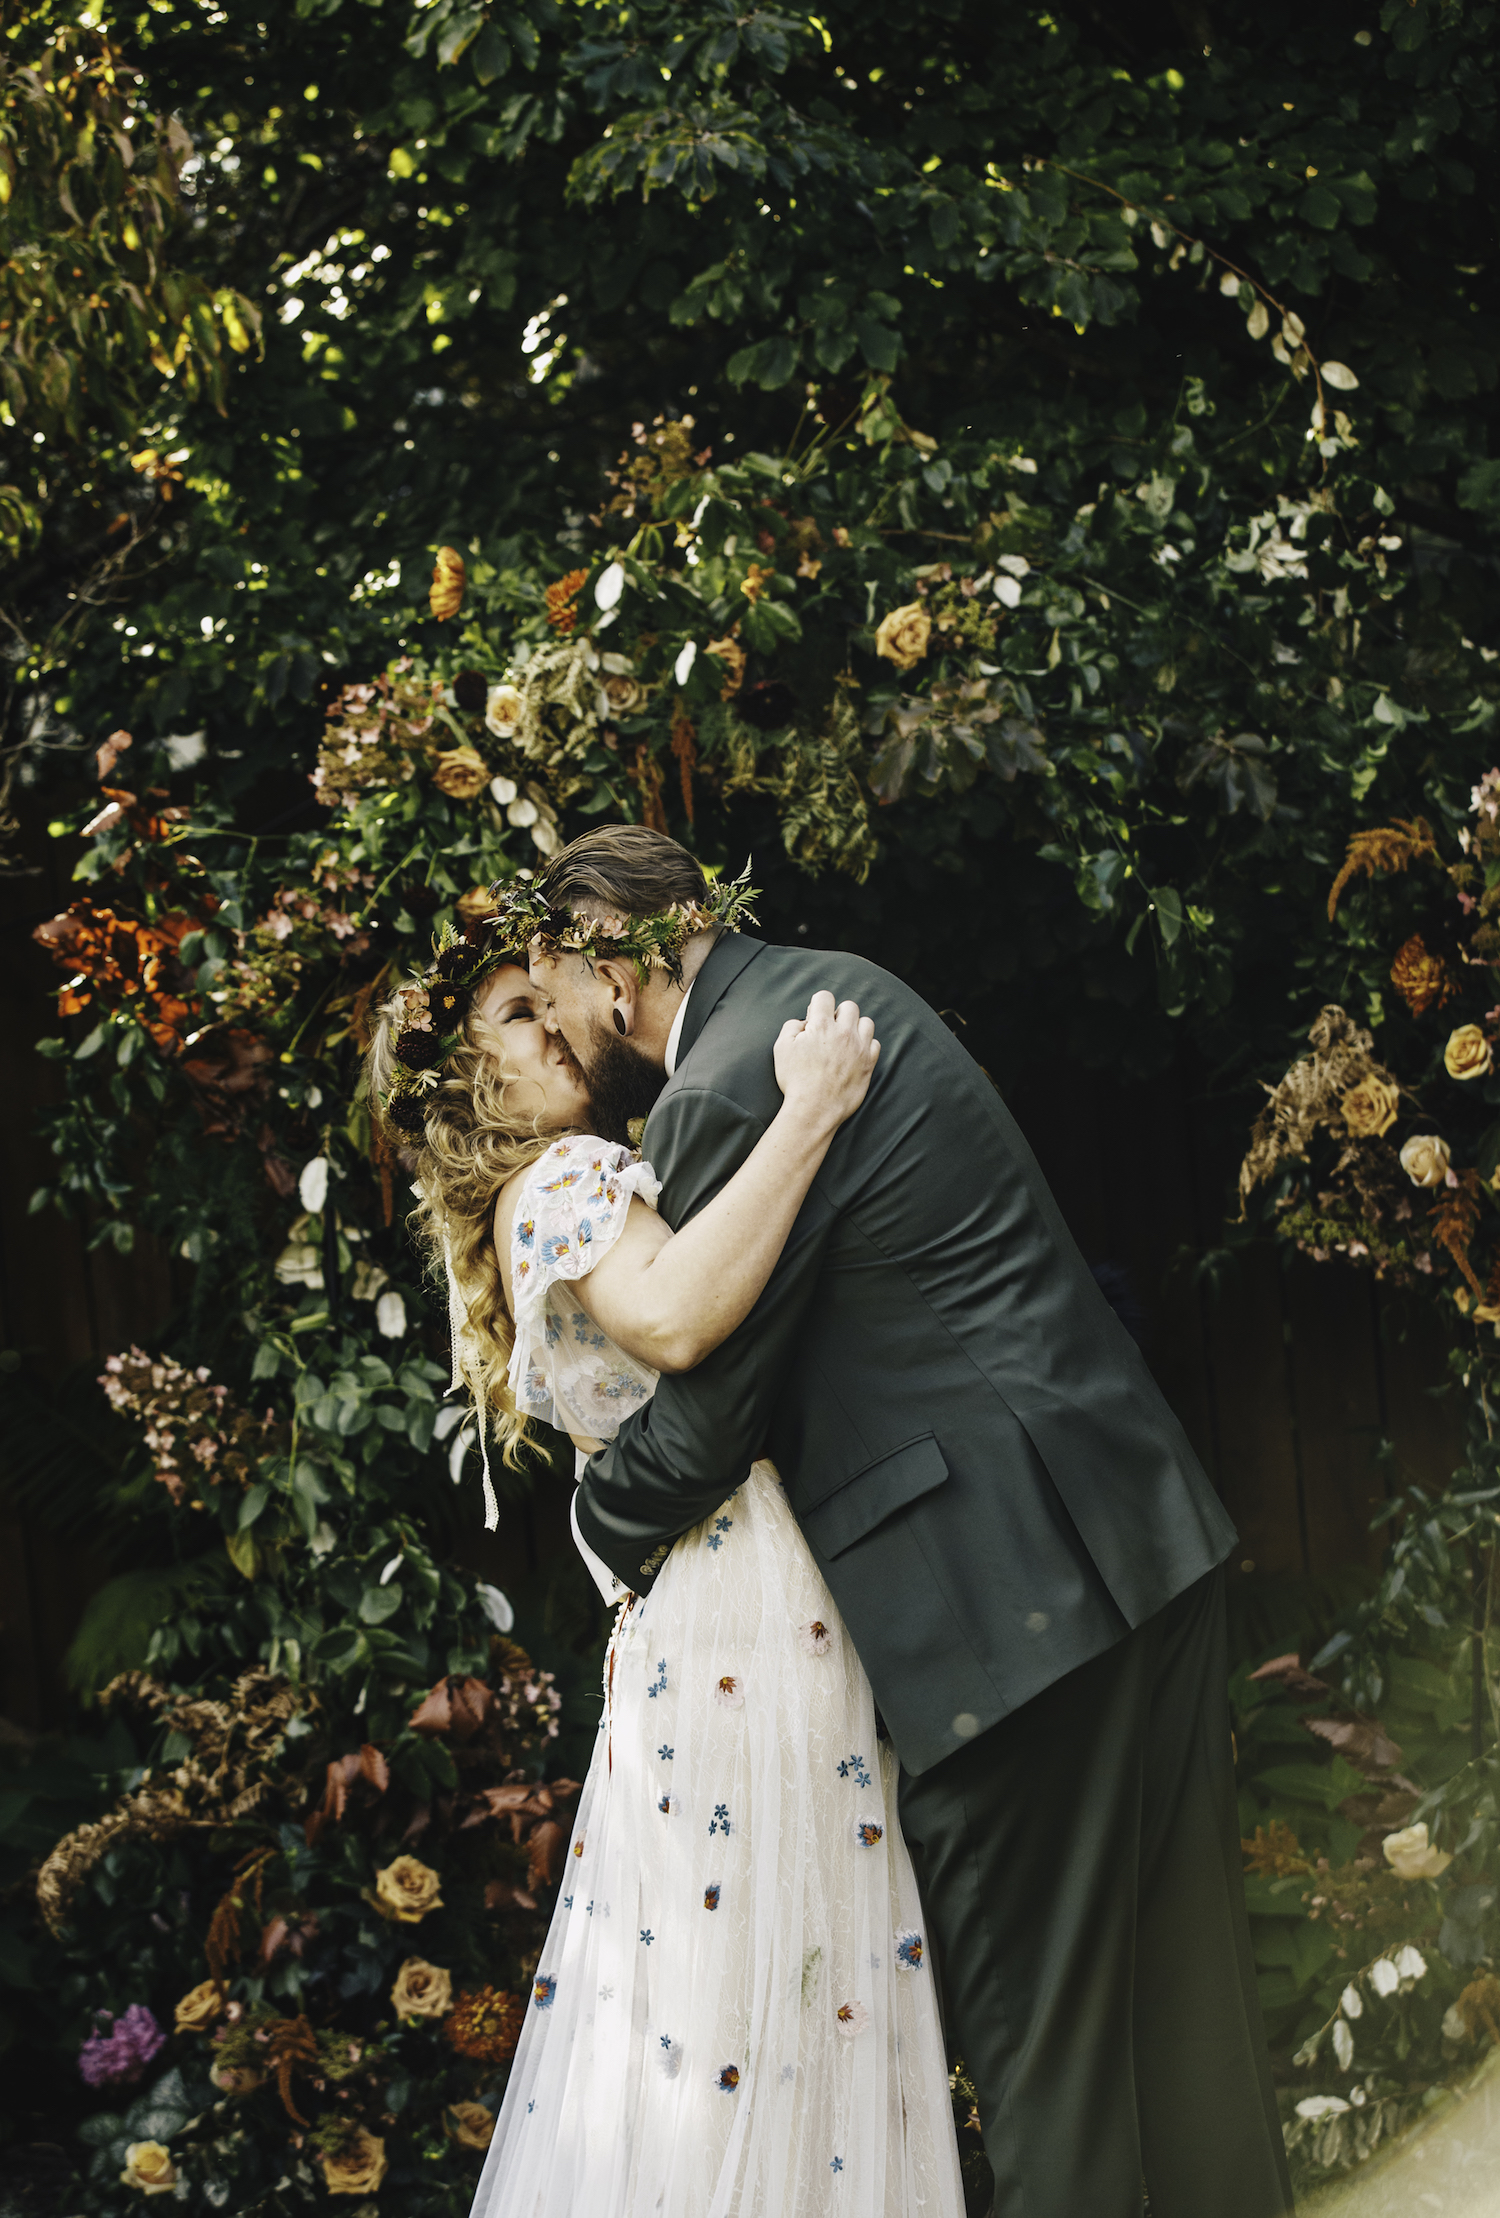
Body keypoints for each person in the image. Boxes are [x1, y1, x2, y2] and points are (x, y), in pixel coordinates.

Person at [506, 826, 1295, 2218]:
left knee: (1051, 2077)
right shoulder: (835, 990)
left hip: (1005, 1617)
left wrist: (597, 1524)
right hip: (1133, 1538)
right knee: (1189, 2039)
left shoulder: (727, 1088)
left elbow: (710, 1412)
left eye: (550, 988)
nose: (564, 1032)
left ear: (611, 962)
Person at [367, 937, 965, 2218]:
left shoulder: (535, 1197)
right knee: (792, 1978)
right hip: (747, 1606)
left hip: (694, 1621)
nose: (558, 1029)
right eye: (522, 1019)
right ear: (473, 1085)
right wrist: (810, 1111)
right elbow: (685, 1316)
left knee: (730, 2000)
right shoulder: (571, 1176)